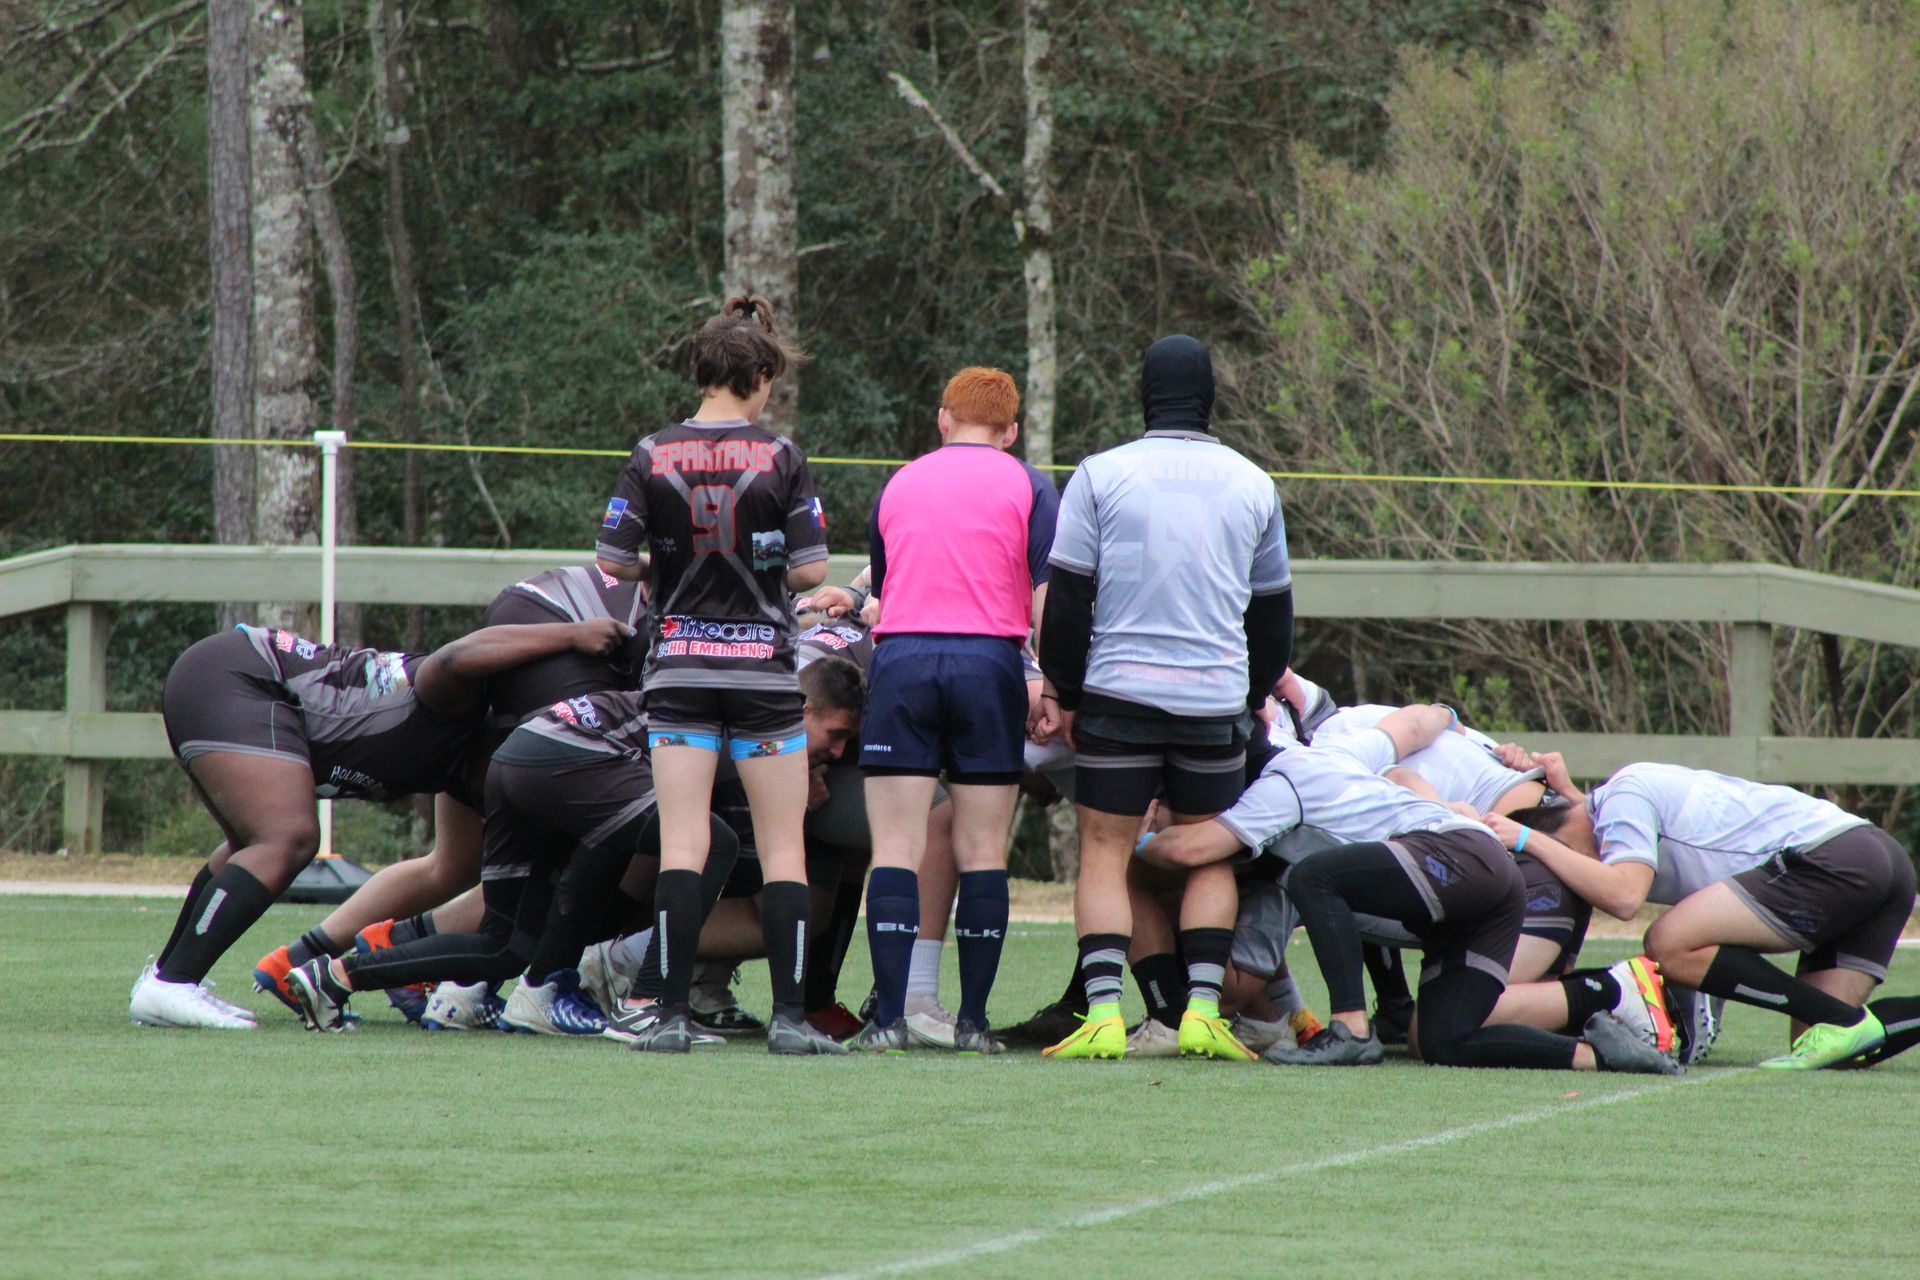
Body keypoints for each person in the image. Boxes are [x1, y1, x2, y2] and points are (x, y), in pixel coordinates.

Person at [128, 615, 631, 1029]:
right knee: (287, 838)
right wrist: (572, 633)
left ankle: (170, 977)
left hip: (238, 681)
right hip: (239, 675)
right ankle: (173, 982)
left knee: (249, 844)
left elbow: (481, 885)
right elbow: (454, 656)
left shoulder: (471, 773)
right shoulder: (458, 703)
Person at [1138, 705, 1678, 1075]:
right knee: (1444, 1040)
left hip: (1462, 858)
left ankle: (1350, 1029)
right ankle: (1600, 1053)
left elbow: (1191, 849)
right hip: (1487, 880)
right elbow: (1412, 731)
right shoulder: (1337, 748)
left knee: (1313, 876)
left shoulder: (1284, 779)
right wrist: (1450, 716)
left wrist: (1134, 841)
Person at [1036, 334, 1292, 1061]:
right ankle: (1204, 1013)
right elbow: (1273, 614)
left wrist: (1069, 692)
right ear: (1211, 398)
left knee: (1105, 853)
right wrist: (1245, 697)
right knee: (1209, 850)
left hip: (1118, 692)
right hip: (1213, 701)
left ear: (1143, 395)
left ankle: (1106, 1015)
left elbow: (1068, 600)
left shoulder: (1101, 472)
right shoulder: (1252, 482)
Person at [252, 563, 648, 1021]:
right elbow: (456, 659)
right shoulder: (670, 592)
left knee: (451, 869)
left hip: (501, 709)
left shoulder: (646, 580)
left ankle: (300, 959)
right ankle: (400, 960)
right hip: (519, 720)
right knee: (532, 894)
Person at [594, 294, 829, 1051]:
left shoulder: (651, 452)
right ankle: (791, 1021)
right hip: (762, 671)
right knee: (784, 845)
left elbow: (610, 563)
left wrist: (662, 569)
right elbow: (809, 570)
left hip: (680, 673)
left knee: (684, 843)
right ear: (759, 375)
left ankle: (666, 1017)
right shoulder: (781, 456)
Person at [850, 367, 1058, 1054]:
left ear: (943, 419)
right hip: (988, 666)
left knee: (896, 849)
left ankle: (886, 1025)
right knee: (981, 850)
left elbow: (883, 586)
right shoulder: (1029, 484)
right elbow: (1044, 601)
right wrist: (1048, 685)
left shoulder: (901, 482)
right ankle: (972, 1023)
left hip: (904, 659)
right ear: (1011, 430)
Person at [1491, 761, 1920, 1069]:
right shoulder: (1613, 810)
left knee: (1668, 942)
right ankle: (1846, 1023)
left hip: (1837, 857)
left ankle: (1843, 1019)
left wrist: (1528, 840)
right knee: (1824, 1046)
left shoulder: (1623, 794)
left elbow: (1624, 898)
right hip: (1880, 856)